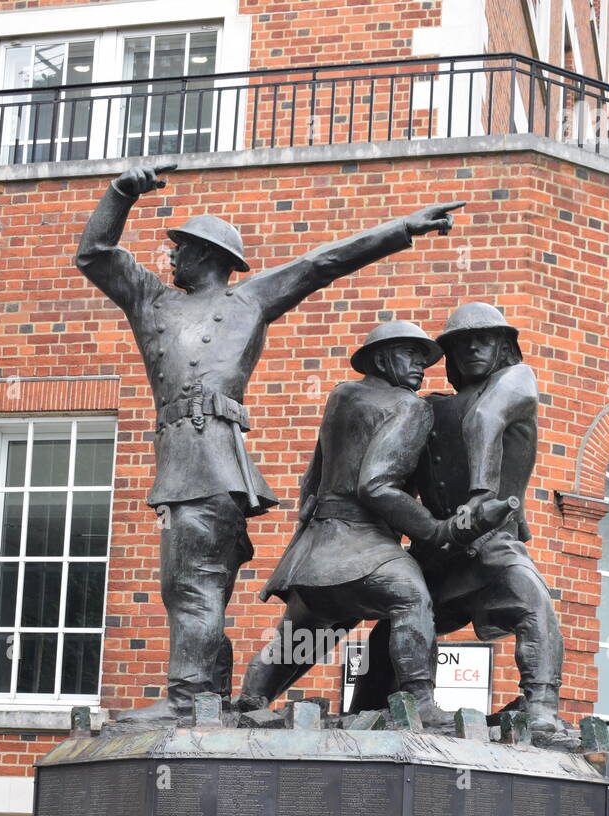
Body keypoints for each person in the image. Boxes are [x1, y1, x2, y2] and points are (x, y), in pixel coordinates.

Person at [75, 165, 463, 720]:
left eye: (180, 248)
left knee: (194, 588)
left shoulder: (247, 302)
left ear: (207, 255)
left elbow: (321, 262)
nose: (170, 257)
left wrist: (403, 228)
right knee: (191, 589)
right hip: (184, 463)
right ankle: (211, 696)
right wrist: (121, 193)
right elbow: (94, 253)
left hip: (211, 465)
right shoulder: (150, 301)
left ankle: (189, 700)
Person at [349, 302, 567, 735]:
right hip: (440, 545)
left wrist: (481, 495)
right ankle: (368, 707)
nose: (470, 349)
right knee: (393, 628)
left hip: (491, 539)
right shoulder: (431, 407)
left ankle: (542, 706)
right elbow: (398, 476)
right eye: (459, 344)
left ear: (503, 345)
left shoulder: (516, 379)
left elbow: (487, 418)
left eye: (481, 339)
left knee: (532, 602)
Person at [238, 322, 468, 725]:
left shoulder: (341, 395)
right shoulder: (410, 407)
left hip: (314, 552)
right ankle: (421, 702)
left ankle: (252, 695)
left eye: (424, 358)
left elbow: (310, 481)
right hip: (365, 545)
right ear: (381, 358)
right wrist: (434, 531)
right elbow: (377, 486)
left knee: (305, 635)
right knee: (411, 598)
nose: (420, 366)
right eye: (409, 354)